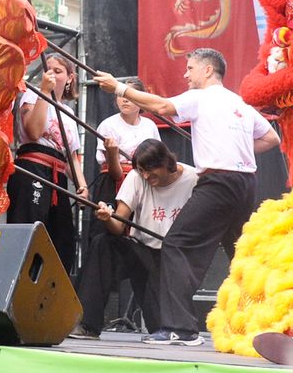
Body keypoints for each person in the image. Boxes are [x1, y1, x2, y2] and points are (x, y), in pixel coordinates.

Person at [94, 47, 279, 347]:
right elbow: (272, 138)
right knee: (240, 252)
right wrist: (236, 148)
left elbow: (162, 107)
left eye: (190, 68)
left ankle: (181, 329)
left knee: (177, 244)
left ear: (207, 71)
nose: (186, 74)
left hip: (218, 181)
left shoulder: (202, 97)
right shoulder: (240, 103)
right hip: (246, 183)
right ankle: (265, 321)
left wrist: (120, 87)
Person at [69, 138, 198, 340]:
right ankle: (88, 325)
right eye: (141, 170)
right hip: (140, 250)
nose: (146, 176)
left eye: (151, 170)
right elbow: (119, 226)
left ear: (166, 163)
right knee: (103, 243)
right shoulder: (136, 178)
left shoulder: (193, 179)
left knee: (161, 327)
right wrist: (108, 218)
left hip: (172, 257)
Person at [7, 54, 89, 273]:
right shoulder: (31, 96)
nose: (52, 73)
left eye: (58, 71)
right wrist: (44, 91)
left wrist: (82, 186)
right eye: (48, 69)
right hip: (33, 168)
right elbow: (34, 131)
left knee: (63, 239)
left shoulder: (70, 113)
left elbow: (72, 157)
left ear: (70, 78)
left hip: (58, 175)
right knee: (29, 232)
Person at [93, 76, 159, 203]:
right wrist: (112, 154)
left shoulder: (150, 126)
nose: (124, 100)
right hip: (113, 184)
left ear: (140, 99)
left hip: (143, 182)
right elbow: (115, 174)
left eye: (129, 95)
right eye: (120, 95)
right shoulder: (108, 125)